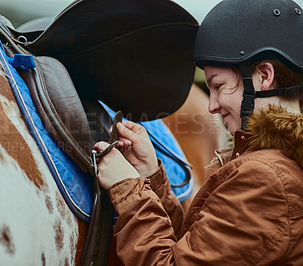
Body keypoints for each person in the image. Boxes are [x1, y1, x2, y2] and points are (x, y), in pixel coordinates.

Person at [93, 0, 303, 264]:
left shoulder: (267, 177)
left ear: (264, 76)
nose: (212, 106)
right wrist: (150, 176)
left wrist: (126, 188)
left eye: (219, 86)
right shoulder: (275, 164)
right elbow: (195, 247)